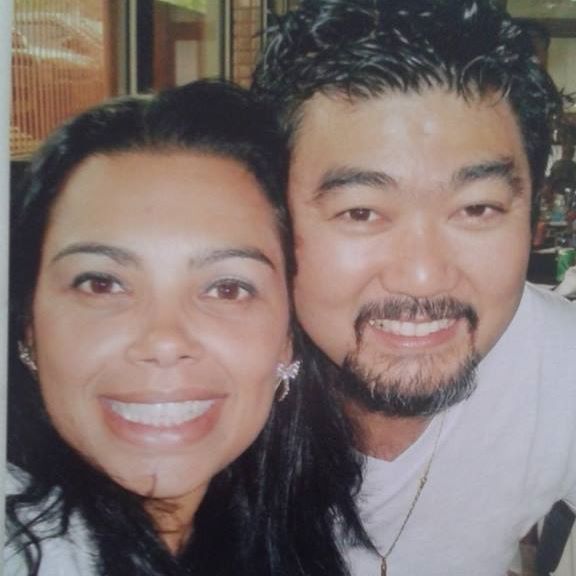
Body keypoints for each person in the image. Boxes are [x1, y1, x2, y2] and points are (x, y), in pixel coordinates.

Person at [252, 1, 576, 574]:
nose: (423, 275)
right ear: (274, 217)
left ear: (533, 221)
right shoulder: (200, 387)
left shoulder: (561, 364)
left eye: (476, 208)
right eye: (360, 212)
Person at [5, 80, 364, 576]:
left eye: (228, 289)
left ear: (287, 338)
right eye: (102, 284)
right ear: (28, 325)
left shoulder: (300, 525)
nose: (164, 341)